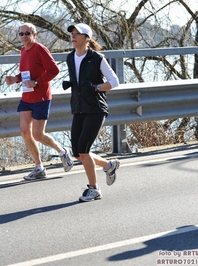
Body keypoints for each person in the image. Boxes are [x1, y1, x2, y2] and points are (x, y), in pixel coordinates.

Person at [5, 22, 74, 180]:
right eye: (21, 34)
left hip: (41, 97)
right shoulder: (23, 50)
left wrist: (36, 82)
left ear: (34, 35)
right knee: (24, 131)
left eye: (27, 33)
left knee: (38, 134)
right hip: (27, 96)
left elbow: (54, 70)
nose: (24, 36)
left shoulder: (40, 49)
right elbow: (25, 73)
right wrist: (15, 78)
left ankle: (62, 151)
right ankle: (39, 168)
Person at [64, 23, 120, 202]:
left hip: (96, 109)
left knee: (84, 150)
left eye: (77, 34)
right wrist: (72, 84)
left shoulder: (97, 58)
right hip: (79, 108)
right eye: (71, 34)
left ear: (87, 38)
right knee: (77, 153)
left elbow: (114, 81)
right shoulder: (70, 58)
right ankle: (108, 165)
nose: (73, 36)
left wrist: (95, 87)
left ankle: (94, 189)